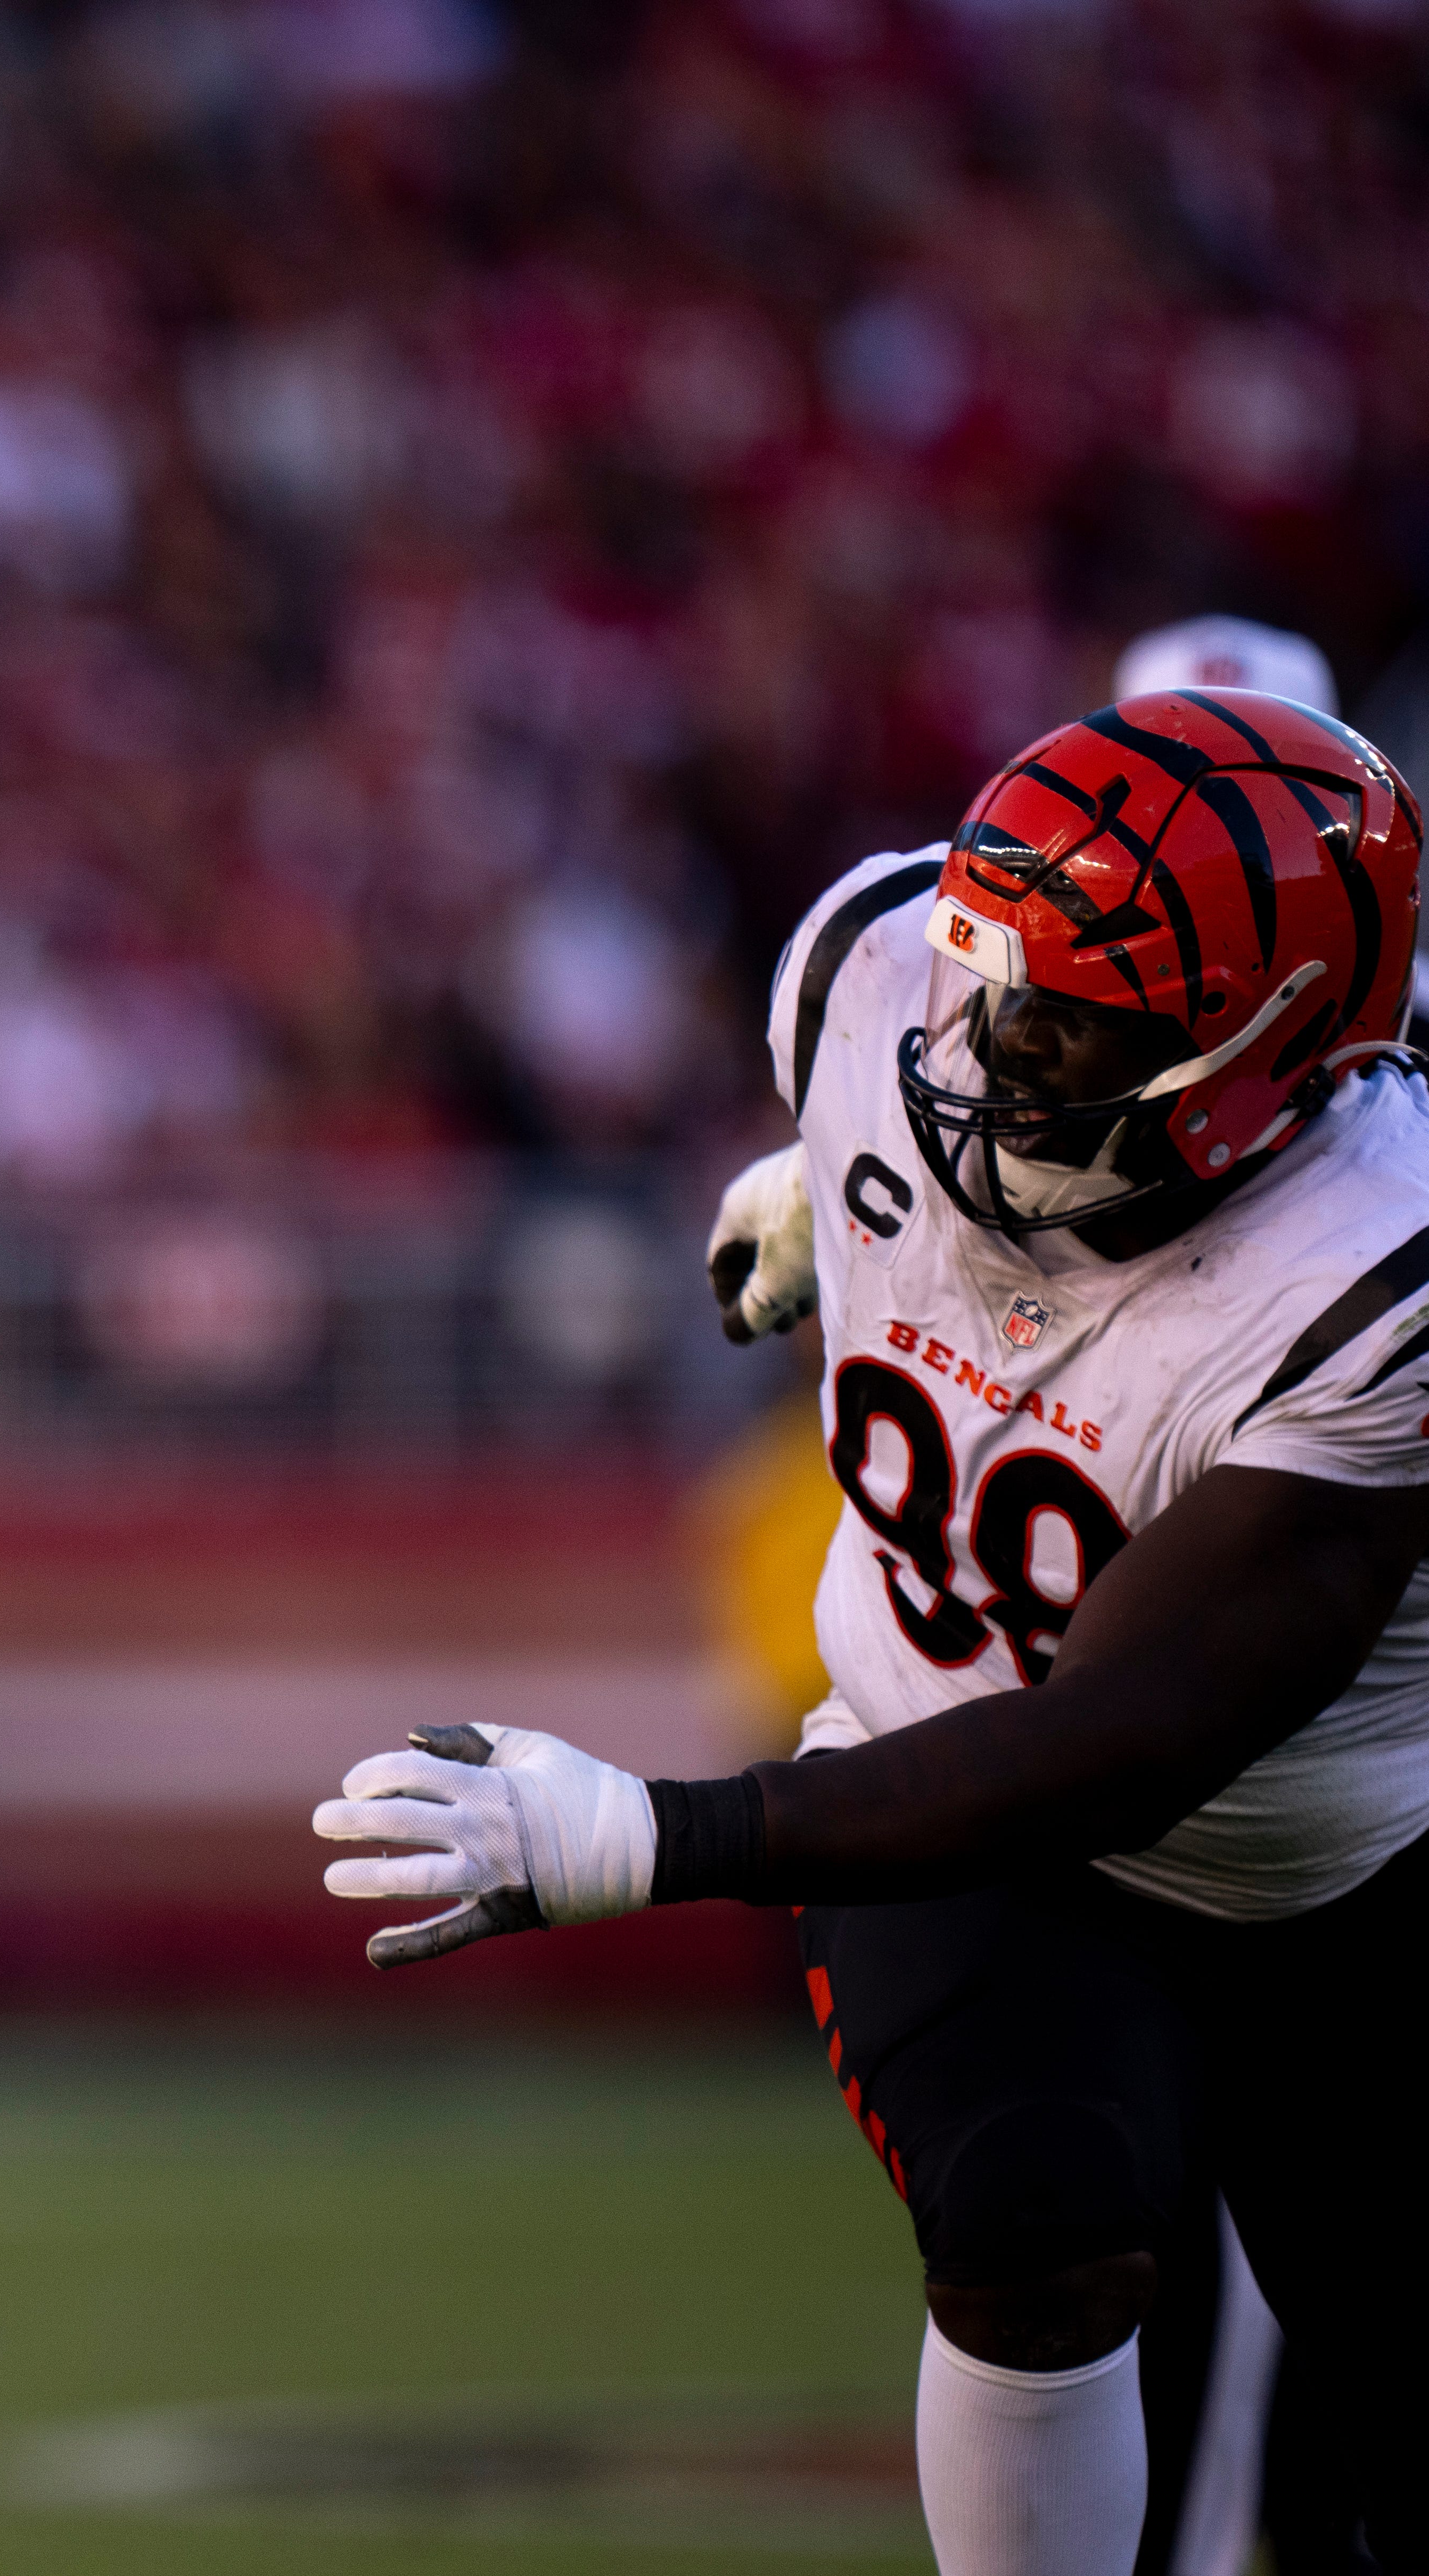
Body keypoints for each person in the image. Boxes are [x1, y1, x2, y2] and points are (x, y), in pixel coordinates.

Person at [315, 685, 1428, 2576]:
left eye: (1072, 1023)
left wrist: (661, 1834)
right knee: (1041, 2227)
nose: (991, 1048)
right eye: (992, 990)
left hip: (1329, 1877)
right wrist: (838, 1198)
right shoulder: (871, 961)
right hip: (934, 1748)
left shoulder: (1371, 1279)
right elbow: (905, 1105)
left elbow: (1130, 1741)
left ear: (1265, 1058)